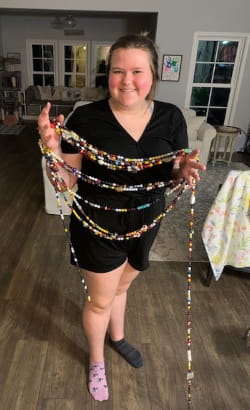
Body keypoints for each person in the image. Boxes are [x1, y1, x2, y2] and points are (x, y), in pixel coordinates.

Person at [38, 33, 205, 402]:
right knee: (100, 300)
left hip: (146, 220)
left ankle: (118, 337)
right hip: (98, 222)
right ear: (107, 75)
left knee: (123, 287)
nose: (127, 80)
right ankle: (96, 361)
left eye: (136, 71)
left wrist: (185, 169)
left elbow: (173, 170)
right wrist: (52, 149)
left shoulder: (171, 117)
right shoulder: (86, 118)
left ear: (153, 76)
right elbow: (66, 181)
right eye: (117, 71)